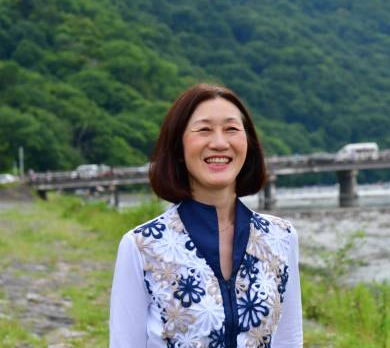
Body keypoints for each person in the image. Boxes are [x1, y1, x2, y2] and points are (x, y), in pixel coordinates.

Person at [109, 84, 303, 347]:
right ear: (178, 145)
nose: (220, 143)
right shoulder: (143, 246)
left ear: (248, 143)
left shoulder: (280, 237)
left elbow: (288, 340)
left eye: (232, 129)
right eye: (204, 130)